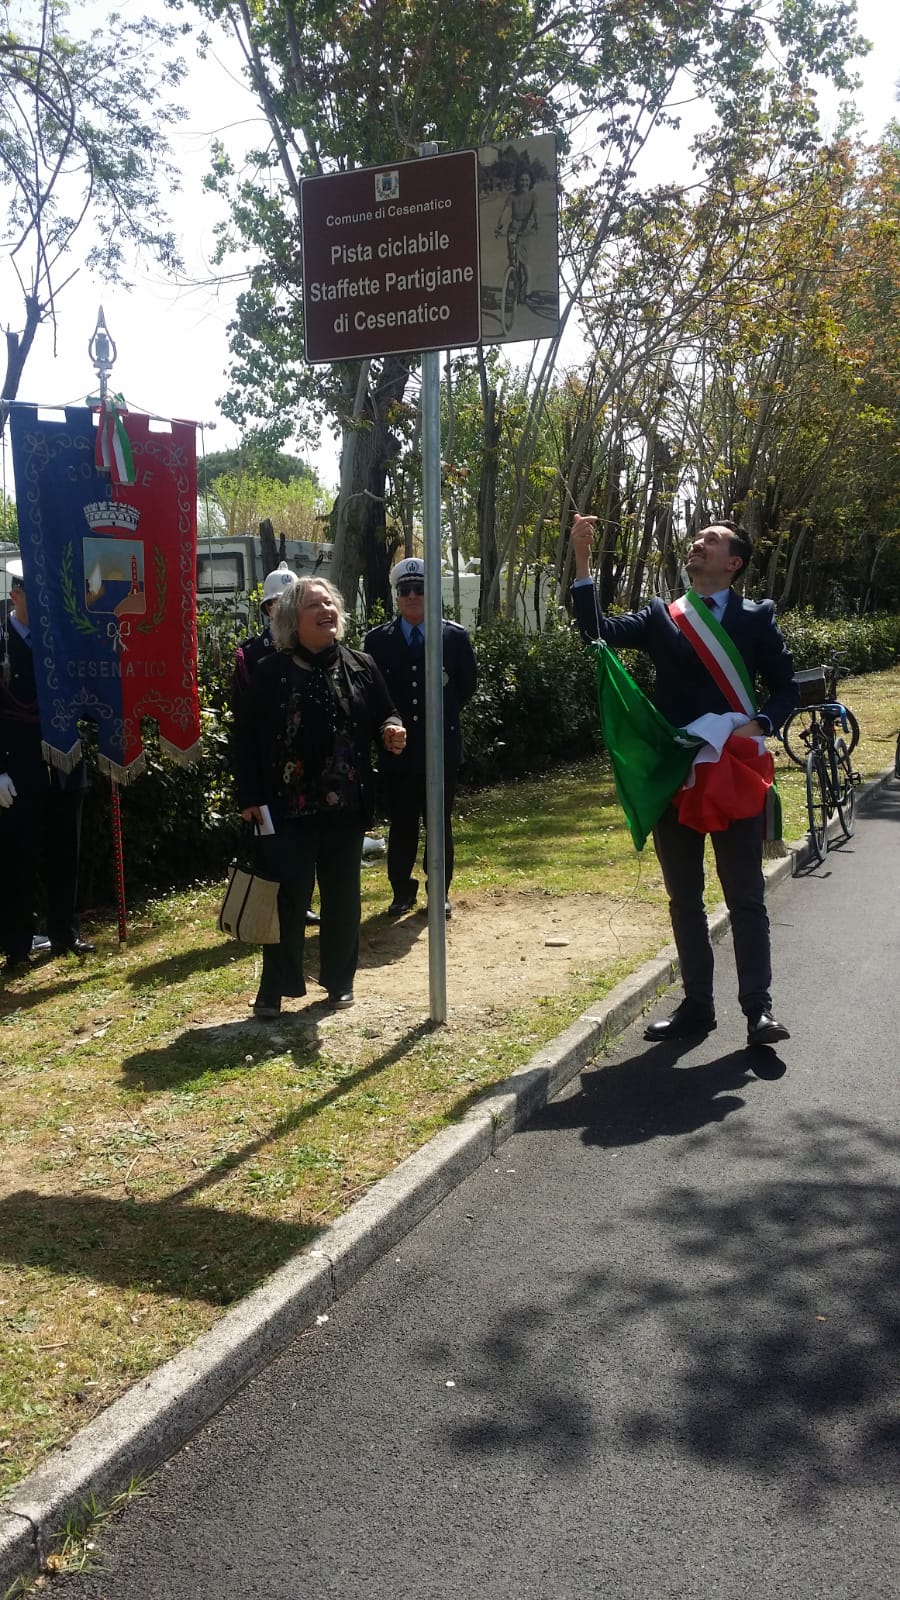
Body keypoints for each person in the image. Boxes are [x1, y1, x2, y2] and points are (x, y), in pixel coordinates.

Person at [570, 515, 798, 1047]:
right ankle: (698, 1007)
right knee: (684, 898)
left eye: (712, 541)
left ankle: (758, 1010)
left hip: (733, 772)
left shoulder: (757, 617)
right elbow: (595, 633)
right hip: (676, 772)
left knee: (745, 896)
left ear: (733, 563)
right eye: (698, 539)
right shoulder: (662, 615)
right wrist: (582, 561)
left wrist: (760, 723)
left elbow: (785, 688)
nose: (698, 543)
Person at [232, 575, 406, 1018]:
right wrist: (249, 795)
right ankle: (275, 988)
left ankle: (340, 983)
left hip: (344, 806)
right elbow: (245, 737)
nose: (326, 611)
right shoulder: (270, 670)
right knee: (287, 899)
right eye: (315, 605)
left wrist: (391, 728)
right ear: (293, 618)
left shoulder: (361, 664)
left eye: (330, 603)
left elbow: (386, 710)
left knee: (343, 898)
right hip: (286, 808)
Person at [364, 557, 477, 919]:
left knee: (438, 823)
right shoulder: (378, 641)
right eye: (405, 591)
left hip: (440, 748)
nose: (413, 596)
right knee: (402, 823)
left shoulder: (454, 637)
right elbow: (372, 693)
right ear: (397, 596)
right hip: (398, 751)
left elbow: (465, 687)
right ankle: (401, 892)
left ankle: (438, 891)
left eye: (420, 589)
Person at [0, 560, 95, 969]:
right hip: (15, 766)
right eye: (33, 597)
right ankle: (17, 944)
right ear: (15, 595)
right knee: (18, 858)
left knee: (65, 852)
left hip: (64, 761)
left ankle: (64, 931)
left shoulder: (61, 638)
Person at [232, 560, 320, 927]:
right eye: (275, 603)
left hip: (306, 768)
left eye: (290, 600)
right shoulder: (250, 655)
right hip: (268, 769)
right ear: (267, 608)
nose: (281, 608)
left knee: (307, 842)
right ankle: (269, 910)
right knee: (270, 843)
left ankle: (302, 903)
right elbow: (243, 724)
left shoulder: (315, 648)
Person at [494, 169, 539, 302]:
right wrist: (499, 226)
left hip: (526, 232)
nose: (524, 183)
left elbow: (536, 211)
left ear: (530, 181)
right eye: (521, 180)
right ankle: (513, 278)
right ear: (518, 181)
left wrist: (537, 223)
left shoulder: (533, 195)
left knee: (525, 263)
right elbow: (506, 211)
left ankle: (528, 292)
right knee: (512, 259)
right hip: (513, 230)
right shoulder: (512, 196)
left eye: (526, 180)